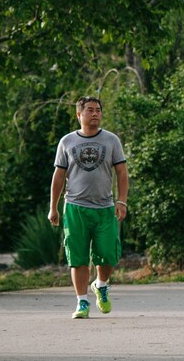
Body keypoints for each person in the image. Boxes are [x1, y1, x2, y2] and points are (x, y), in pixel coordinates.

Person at [48, 96, 129, 319]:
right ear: (79, 114)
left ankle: (101, 285)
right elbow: (59, 176)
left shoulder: (111, 140)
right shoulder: (67, 142)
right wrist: (53, 207)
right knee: (78, 257)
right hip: (75, 207)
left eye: (98, 110)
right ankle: (82, 303)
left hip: (105, 207)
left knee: (108, 254)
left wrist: (122, 201)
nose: (95, 113)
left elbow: (122, 172)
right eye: (90, 110)